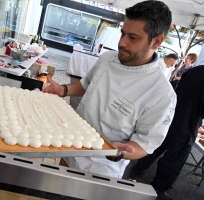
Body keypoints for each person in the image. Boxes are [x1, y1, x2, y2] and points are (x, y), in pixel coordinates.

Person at [43, 1, 176, 179]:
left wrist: (121, 152)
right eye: (122, 33)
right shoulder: (107, 59)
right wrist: (64, 89)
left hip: (99, 169)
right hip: (70, 150)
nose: (122, 43)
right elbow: (87, 85)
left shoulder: (162, 94)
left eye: (133, 37)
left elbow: (145, 143)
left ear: (156, 41)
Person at [130, 65, 204, 200]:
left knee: (156, 145)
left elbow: (179, 88)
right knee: (174, 159)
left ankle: (137, 169)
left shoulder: (195, 70)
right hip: (187, 124)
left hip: (170, 114)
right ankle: (158, 189)